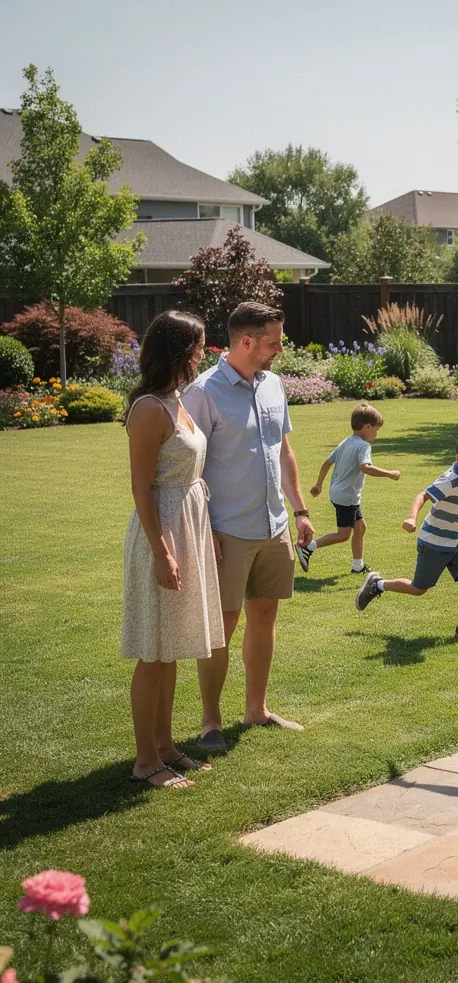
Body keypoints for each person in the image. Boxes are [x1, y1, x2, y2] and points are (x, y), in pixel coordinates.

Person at [182, 301, 315, 752]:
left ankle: (256, 709)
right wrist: (204, 528)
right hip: (226, 531)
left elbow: (283, 450)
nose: (280, 348)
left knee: (265, 613)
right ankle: (210, 723)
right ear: (246, 342)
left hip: (274, 524)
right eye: (274, 342)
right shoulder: (202, 393)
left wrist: (299, 511)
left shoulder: (274, 384)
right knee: (223, 623)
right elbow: (188, 469)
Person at [122, 309, 225, 789]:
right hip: (161, 529)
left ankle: (165, 747)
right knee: (154, 650)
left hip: (189, 523)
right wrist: (163, 551)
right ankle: (145, 761)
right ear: (179, 351)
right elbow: (141, 487)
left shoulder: (177, 399)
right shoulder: (148, 408)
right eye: (200, 346)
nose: (205, 353)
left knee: (173, 647)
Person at [355, 430, 458, 639]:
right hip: (434, 543)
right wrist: (412, 518)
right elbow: (422, 495)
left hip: (456, 541)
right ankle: (378, 584)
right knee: (418, 588)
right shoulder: (450, 479)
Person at [297, 403, 401, 574]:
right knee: (344, 534)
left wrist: (319, 484)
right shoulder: (363, 446)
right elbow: (365, 467)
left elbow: (326, 463)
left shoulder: (346, 442)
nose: (376, 435)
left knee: (360, 528)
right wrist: (390, 473)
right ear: (367, 427)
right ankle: (308, 547)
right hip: (346, 496)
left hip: (340, 493)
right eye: (376, 430)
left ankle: (358, 566)